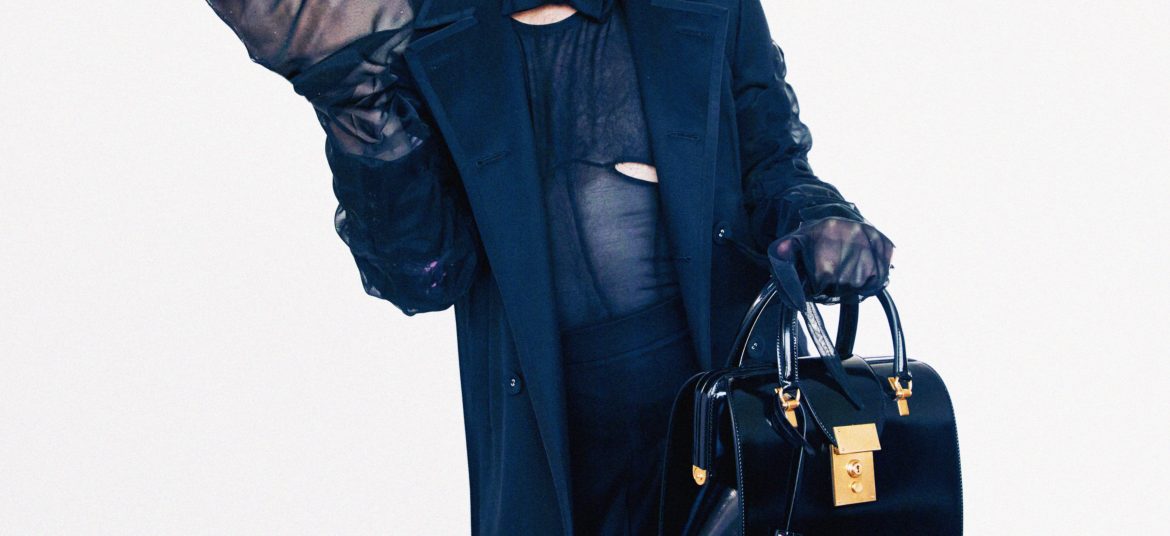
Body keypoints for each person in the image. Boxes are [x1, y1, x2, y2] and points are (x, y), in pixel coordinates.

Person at [205, 0, 895, 534]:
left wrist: (822, 226)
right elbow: (423, 275)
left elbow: (774, 164)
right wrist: (355, 96)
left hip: (732, 438)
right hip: (550, 458)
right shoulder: (416, 31)